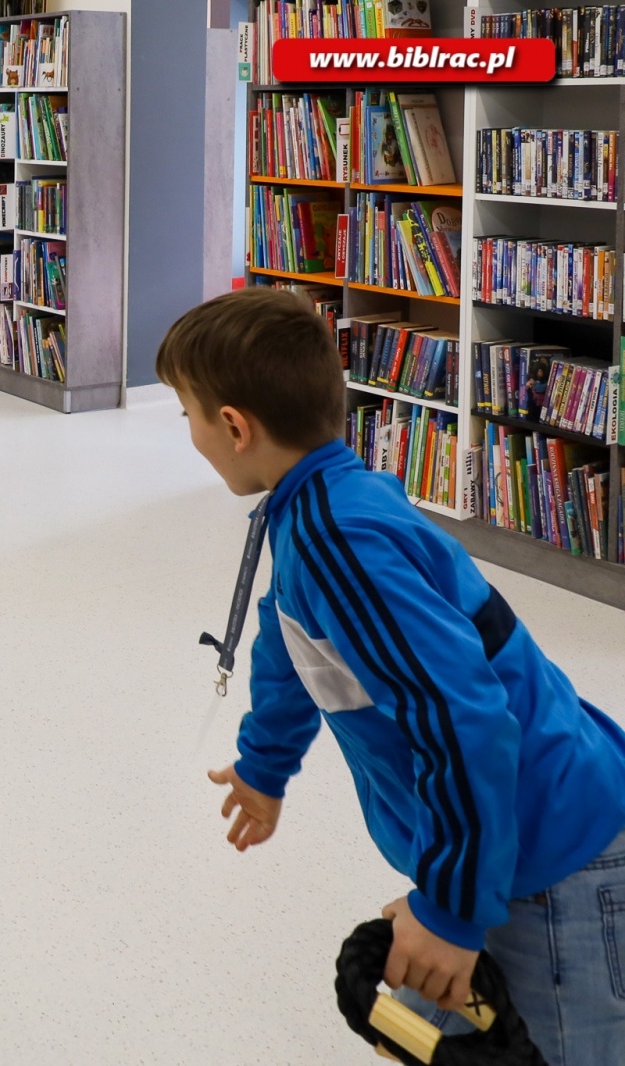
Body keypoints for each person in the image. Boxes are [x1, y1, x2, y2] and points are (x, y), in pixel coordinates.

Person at [158, 286, 625, 1064]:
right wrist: (264, 767)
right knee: (421, 1036)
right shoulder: (317, 506)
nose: (191, 434)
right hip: (488, 845)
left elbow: (461, 718)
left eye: (188, 415)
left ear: (234, 427)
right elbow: (289, 642)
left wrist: (449, 911)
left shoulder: (342, 539)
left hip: (551, 861)